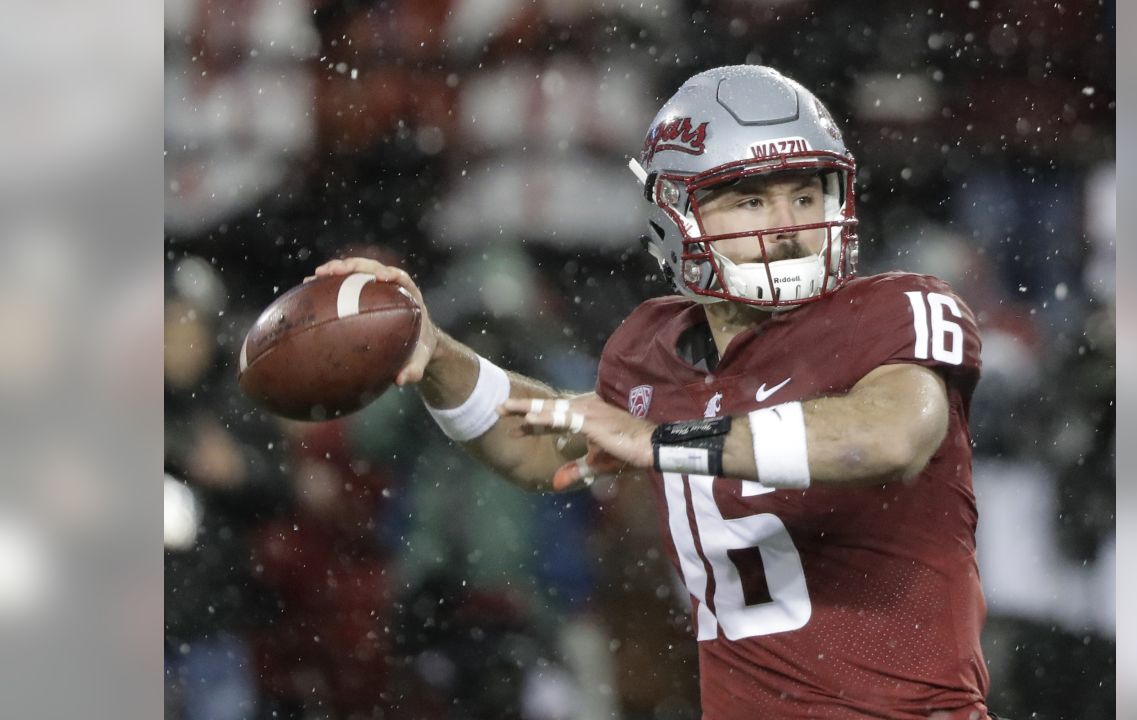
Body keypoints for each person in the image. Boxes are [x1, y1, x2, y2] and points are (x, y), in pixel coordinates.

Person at [314, 65, 993, 720]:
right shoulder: (650, 352)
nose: (788, 224)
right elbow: (541, 447)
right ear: (677, 212)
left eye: (806, 193)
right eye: (753, 198)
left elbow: (892, 437)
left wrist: (663, 439)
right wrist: (436, 353)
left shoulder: (896, 309)